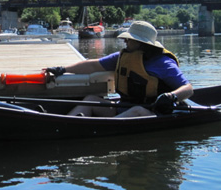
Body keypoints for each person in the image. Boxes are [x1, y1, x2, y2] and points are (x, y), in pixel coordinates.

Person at [45, 21, 193, 118]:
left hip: (152, 111)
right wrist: (63, 69)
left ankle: (99, 127)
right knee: (90, 100)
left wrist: (171, 97)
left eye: (130, 39)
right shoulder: (123, 57)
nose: (125, 41)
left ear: (142, 43)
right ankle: (70, 123)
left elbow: (188, 89)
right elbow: (92, 65)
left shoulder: (163, 63)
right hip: (124, 107)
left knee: (137, 110)